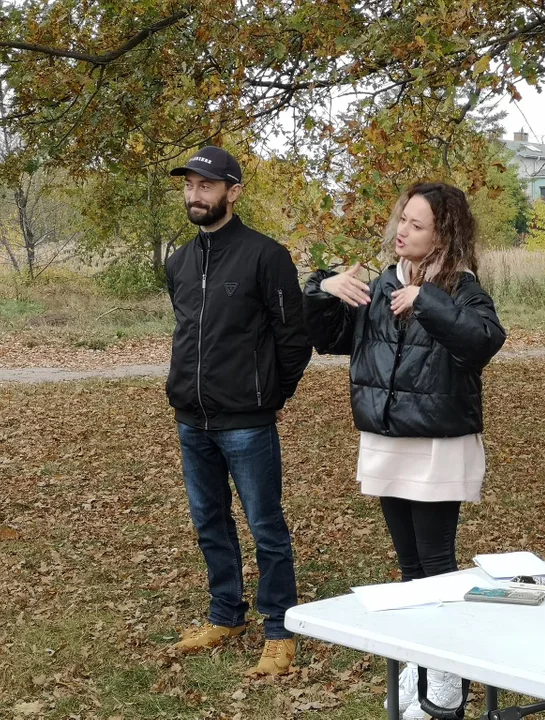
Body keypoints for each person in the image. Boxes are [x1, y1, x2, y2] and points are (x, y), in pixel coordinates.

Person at [303, 181, 506, 719]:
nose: (402, 232)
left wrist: (428, 299)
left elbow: (484, 341)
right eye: (402, 221)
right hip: (388, 437)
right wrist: (323, 289)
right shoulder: (378, 285)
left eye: (417, 226)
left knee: (437, 564)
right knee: (409, 566)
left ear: (444, 235)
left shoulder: (462, 288)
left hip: (439, 441)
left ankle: (446, 683)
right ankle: (423, 670)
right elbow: (326, 337)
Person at [165, 146, 312, 676]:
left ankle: (280, 629)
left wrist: (269, 396)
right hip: (191, 419)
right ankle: (226, 614)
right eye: (189, 186)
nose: (194, 194)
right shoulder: (179, 261)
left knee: (265, 525)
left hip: (247, 423)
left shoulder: (265, 255)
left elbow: (293, 340)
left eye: (206, 185)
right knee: (209, 522)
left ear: (233, 192)